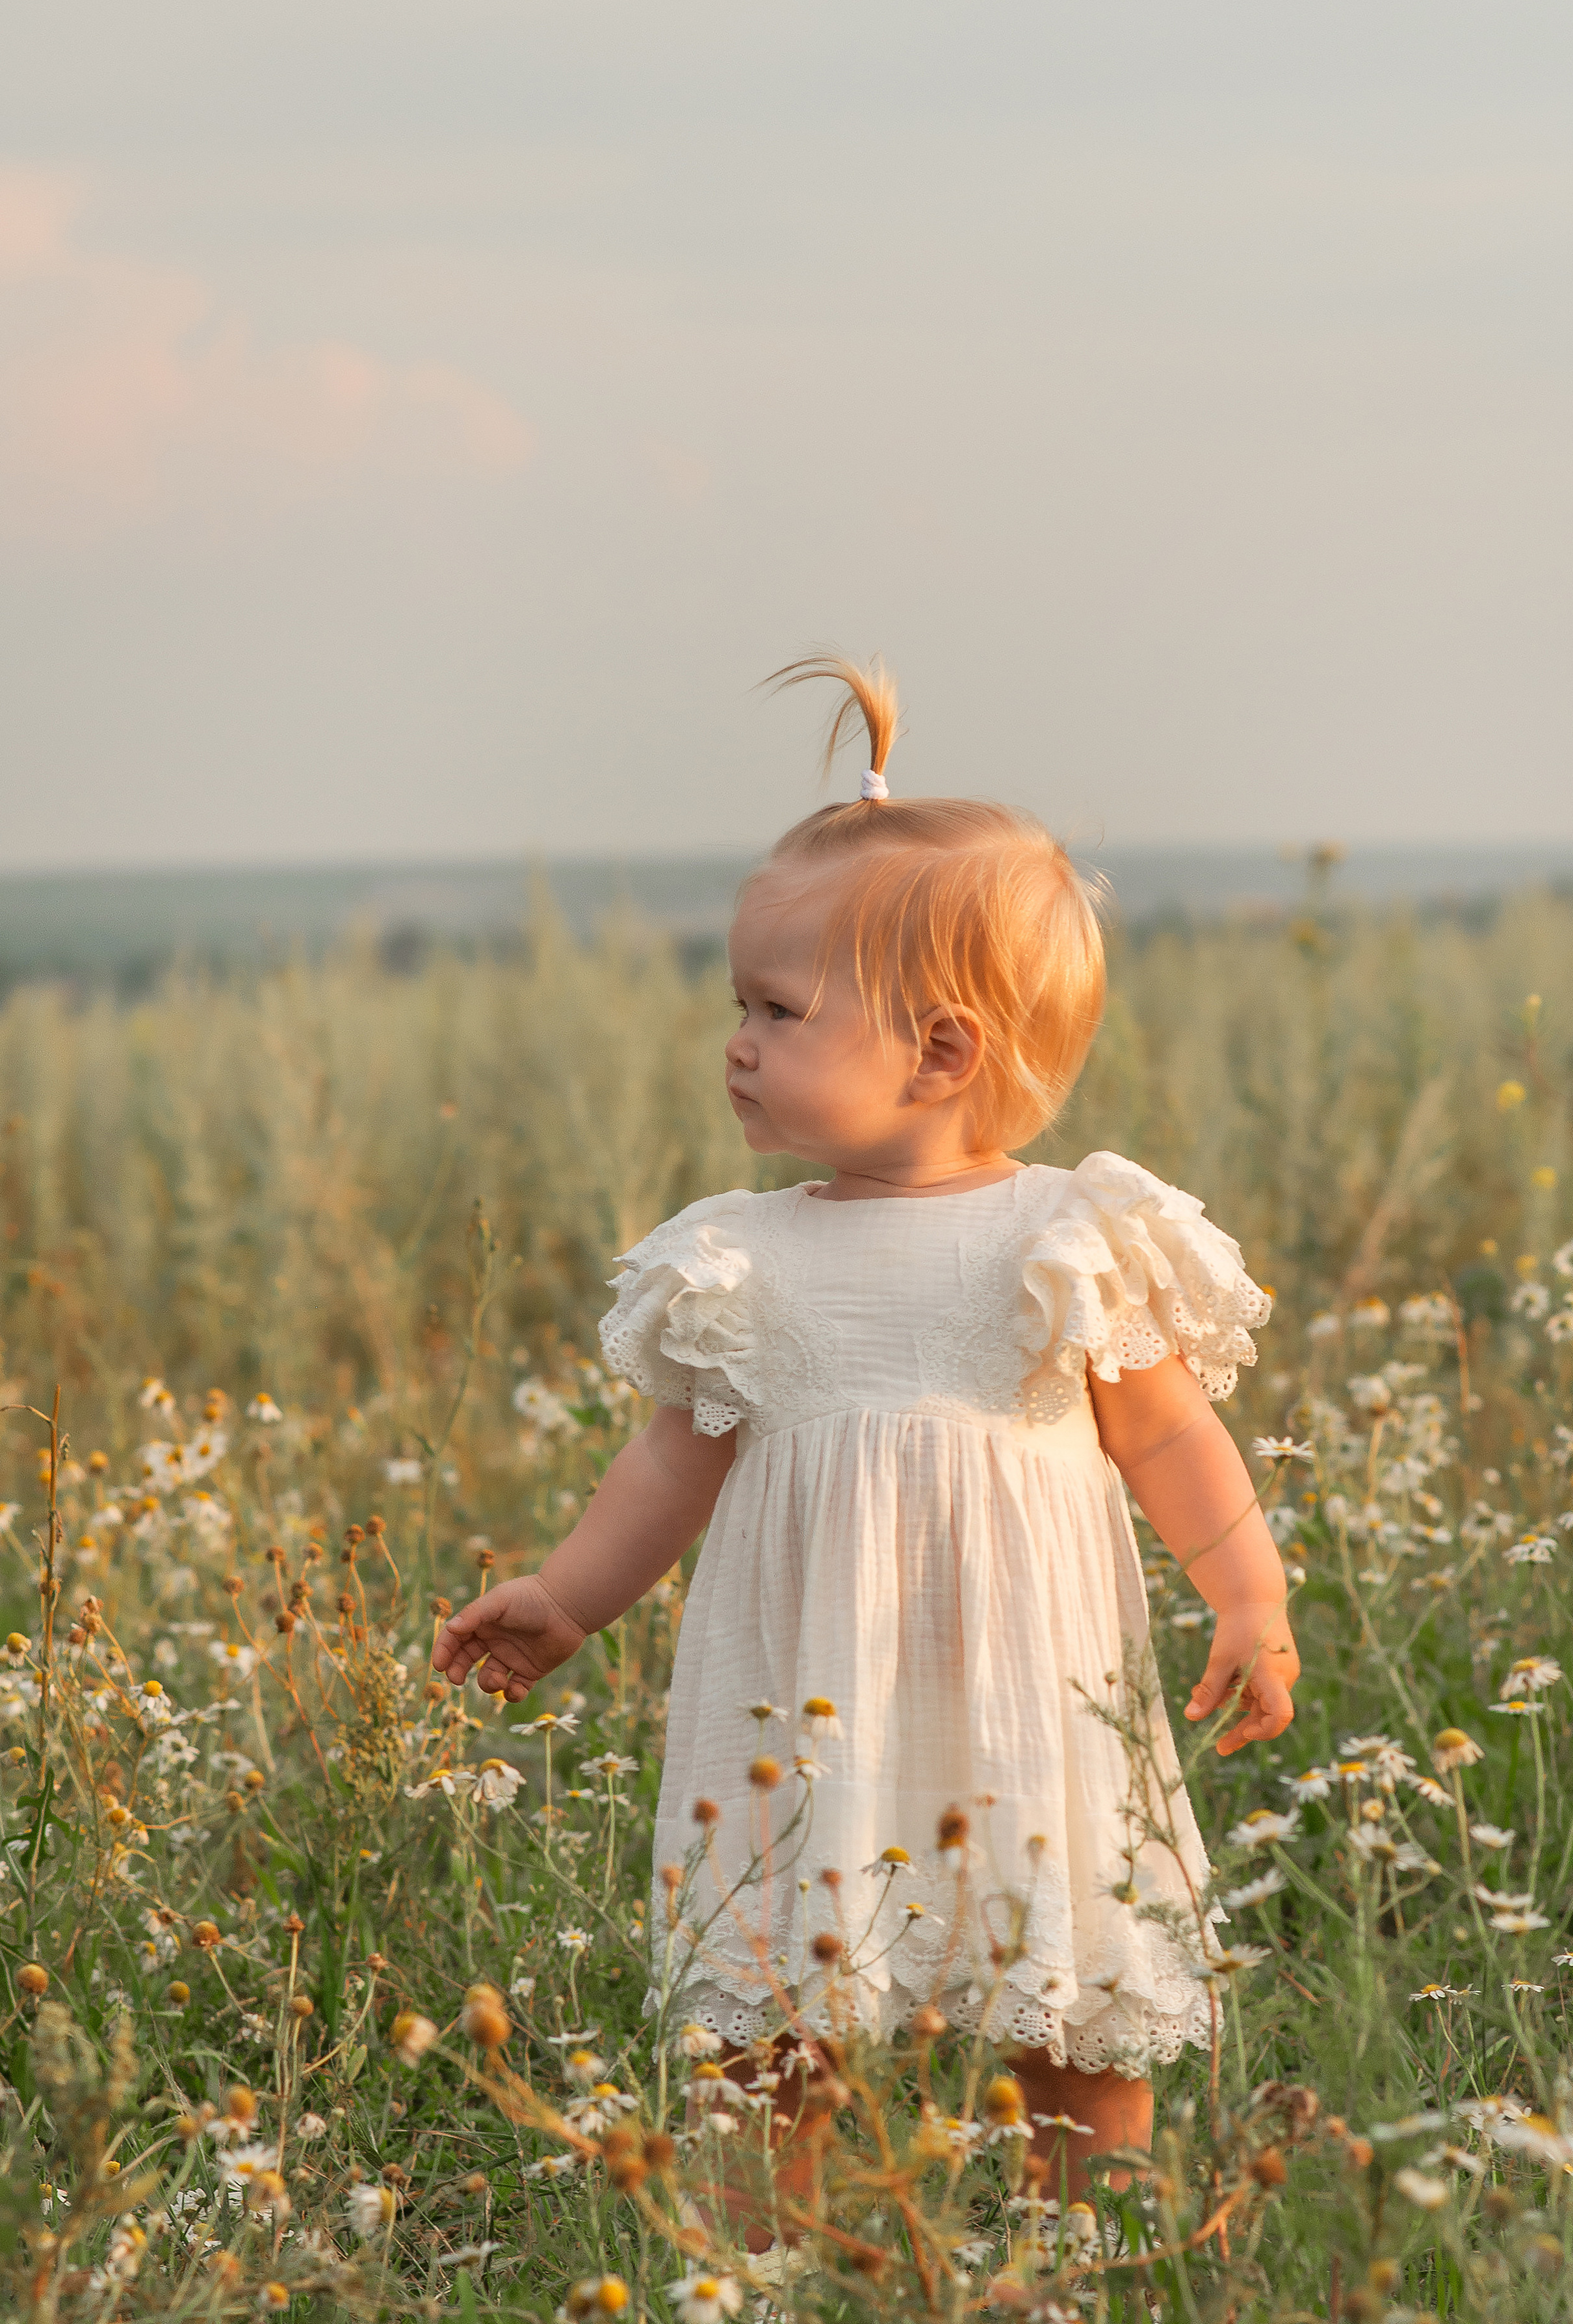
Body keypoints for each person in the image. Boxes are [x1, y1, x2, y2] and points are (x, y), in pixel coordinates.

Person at [434, 653, 1299, 2209]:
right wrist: (566, 1597)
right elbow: (672, 1458)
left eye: (776, 1009)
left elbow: (1168, 1435)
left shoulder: (1065, 1236)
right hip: (804, 1703)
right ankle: (760, 2277)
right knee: (773, 2016)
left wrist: (1248, 1595)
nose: (737, 1040)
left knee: (1068, 2000)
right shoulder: (744, 1254)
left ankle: (1086, 2264)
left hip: (1028, 1698)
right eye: (738, 1004)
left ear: (940, 1051)